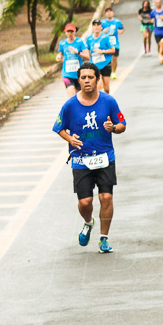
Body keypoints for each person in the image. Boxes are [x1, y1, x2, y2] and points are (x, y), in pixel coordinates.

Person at [52, 61, 127, 254]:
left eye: (90, 77)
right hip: (80, 159)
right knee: (85, 202)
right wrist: (71, 139)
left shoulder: (108, 101)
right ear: (79, 80)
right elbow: (58, 127)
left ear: (97, 79)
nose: (87, 81)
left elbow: (122, 125)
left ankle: (104, 238)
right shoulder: (70, 105)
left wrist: (113, 128)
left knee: (106, 197)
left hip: (104, 157)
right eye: (83, 77)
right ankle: (88, 222)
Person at [57, 23, 90, 97]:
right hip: (67, 73)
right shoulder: (62, 43)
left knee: (78, 96)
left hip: (79, 74)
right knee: (71, 95)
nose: (70, 33)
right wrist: (59, 56)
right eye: (68, 32)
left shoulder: (80, 42)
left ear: (75, 32)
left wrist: (77, 52)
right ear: (65, 32)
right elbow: (60, 53)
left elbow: (88, 57)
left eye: (71, 31)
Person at [85, 19, 115, 93]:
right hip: (95, 65)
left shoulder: (105, 37)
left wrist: (102, 51)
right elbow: (87, 50)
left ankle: (107, 102)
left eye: (98, 25)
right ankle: (98, 102)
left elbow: (113, 50)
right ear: (92, 27)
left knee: (106, 88)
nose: (96, 27)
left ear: (101, 27)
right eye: (94, 25)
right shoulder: (89, 38)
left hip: (105, 63)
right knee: (98, 86)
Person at [101, 6, 124, 79]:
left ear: (113, 13)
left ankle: (113, 72)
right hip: (106, 44)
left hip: (115, 43)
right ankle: (107, 72)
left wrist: (119, 31)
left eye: (110, 11)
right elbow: (97, 32)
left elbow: (122, 29)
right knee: (107, 59)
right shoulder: (102, 22)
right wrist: (103, 31)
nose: (109, 13)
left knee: (114, 58)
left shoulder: (117, 21)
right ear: (105, 14)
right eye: (107, 12)